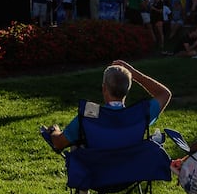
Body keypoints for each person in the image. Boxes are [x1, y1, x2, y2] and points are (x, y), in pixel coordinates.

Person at [44, 60, 172, 151]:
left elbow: (59, 143)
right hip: (129, 173)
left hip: (96, 176)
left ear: (104, 89)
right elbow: (165, 94)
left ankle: (83, 190)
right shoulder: (138, 114)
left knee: (78, 144)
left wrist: (53, 131)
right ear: (128, 89)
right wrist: (135, 74)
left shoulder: (90, 114)